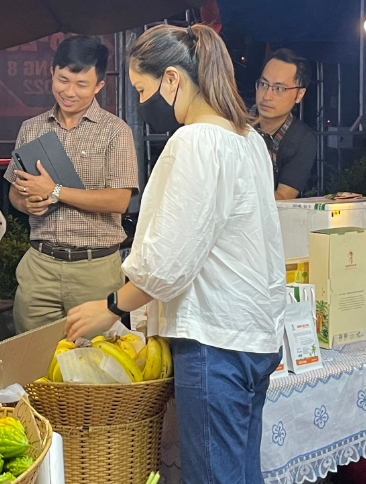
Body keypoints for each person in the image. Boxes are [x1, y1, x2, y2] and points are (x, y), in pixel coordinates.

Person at [65, 24, 286, 484]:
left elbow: (168, 263)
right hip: (255, 335)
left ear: (171, 80)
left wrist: (111, 307)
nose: (143, 106)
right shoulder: (250, 141)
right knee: (243, 472)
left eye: (142, 91)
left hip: (214, 339)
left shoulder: (195, 142)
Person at [4, 35, 139, 334]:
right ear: (51, 73)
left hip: (95, 269)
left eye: (81, 84)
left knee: (99, 367)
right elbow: (15, 190)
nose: (70, 92)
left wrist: (54, 191)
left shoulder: (115, 132)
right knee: (33, 367)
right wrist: (25, 201)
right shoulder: (31, 128)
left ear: (99, 86)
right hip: (39, 266)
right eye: (63, 80)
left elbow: (119, 201)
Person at [254, 48, 316, 200]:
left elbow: (283, 197)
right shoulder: (235, 125)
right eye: (263, 84)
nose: (267, 96)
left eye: (279, 88)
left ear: (299, 94)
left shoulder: (302, 140)